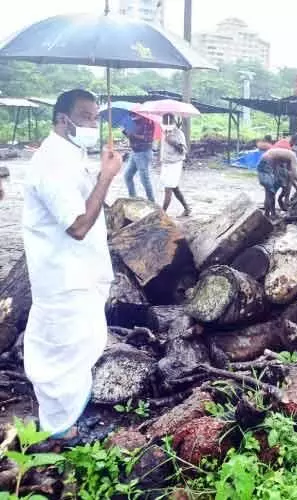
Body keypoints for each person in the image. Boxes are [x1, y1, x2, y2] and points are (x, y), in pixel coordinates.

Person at [21, 89, 123, 438]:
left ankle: (66, 421)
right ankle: (58, 429)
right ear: (63, 119)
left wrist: (102, 174)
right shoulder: (51, 163)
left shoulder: (70, 155)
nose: (94, 123)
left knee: (78, 345)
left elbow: (88, 203)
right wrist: (107, 177)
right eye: (86, 116)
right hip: (62, 274)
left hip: (77, 270)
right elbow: (78, 225)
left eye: (96, 116)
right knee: (61, 349)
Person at [159, 114, 191, 217]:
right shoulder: (164, 132)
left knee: (168, 188)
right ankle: (187, 208)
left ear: (173, 121)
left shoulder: (178, 133)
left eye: (167, 120)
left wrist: (173, 142)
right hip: (166, 163)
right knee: (174, 187)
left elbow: (184, 150)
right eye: (164, 120)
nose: (165, 122)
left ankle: (162, 214)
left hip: (175, 163)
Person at [257, 147, 297, 218]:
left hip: (268, 164)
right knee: (270, 192)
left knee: (270, 193)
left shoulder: (284, 157)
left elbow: (291, 178)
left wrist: (296, 188)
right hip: (267, 164)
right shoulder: (292, 157)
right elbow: (294, 176)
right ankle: (270, 214)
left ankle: (269, 214)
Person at [123, 114, 156, 202]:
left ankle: (152, 201)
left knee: (144, 179)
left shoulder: (148, 122)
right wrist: (126, 132)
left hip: (143, 152)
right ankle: (133, 198)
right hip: (135, 152)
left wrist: (133, 134)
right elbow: (131, 136)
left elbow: (148, 138)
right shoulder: (133, 121)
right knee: (127, 176)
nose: (133, 114)